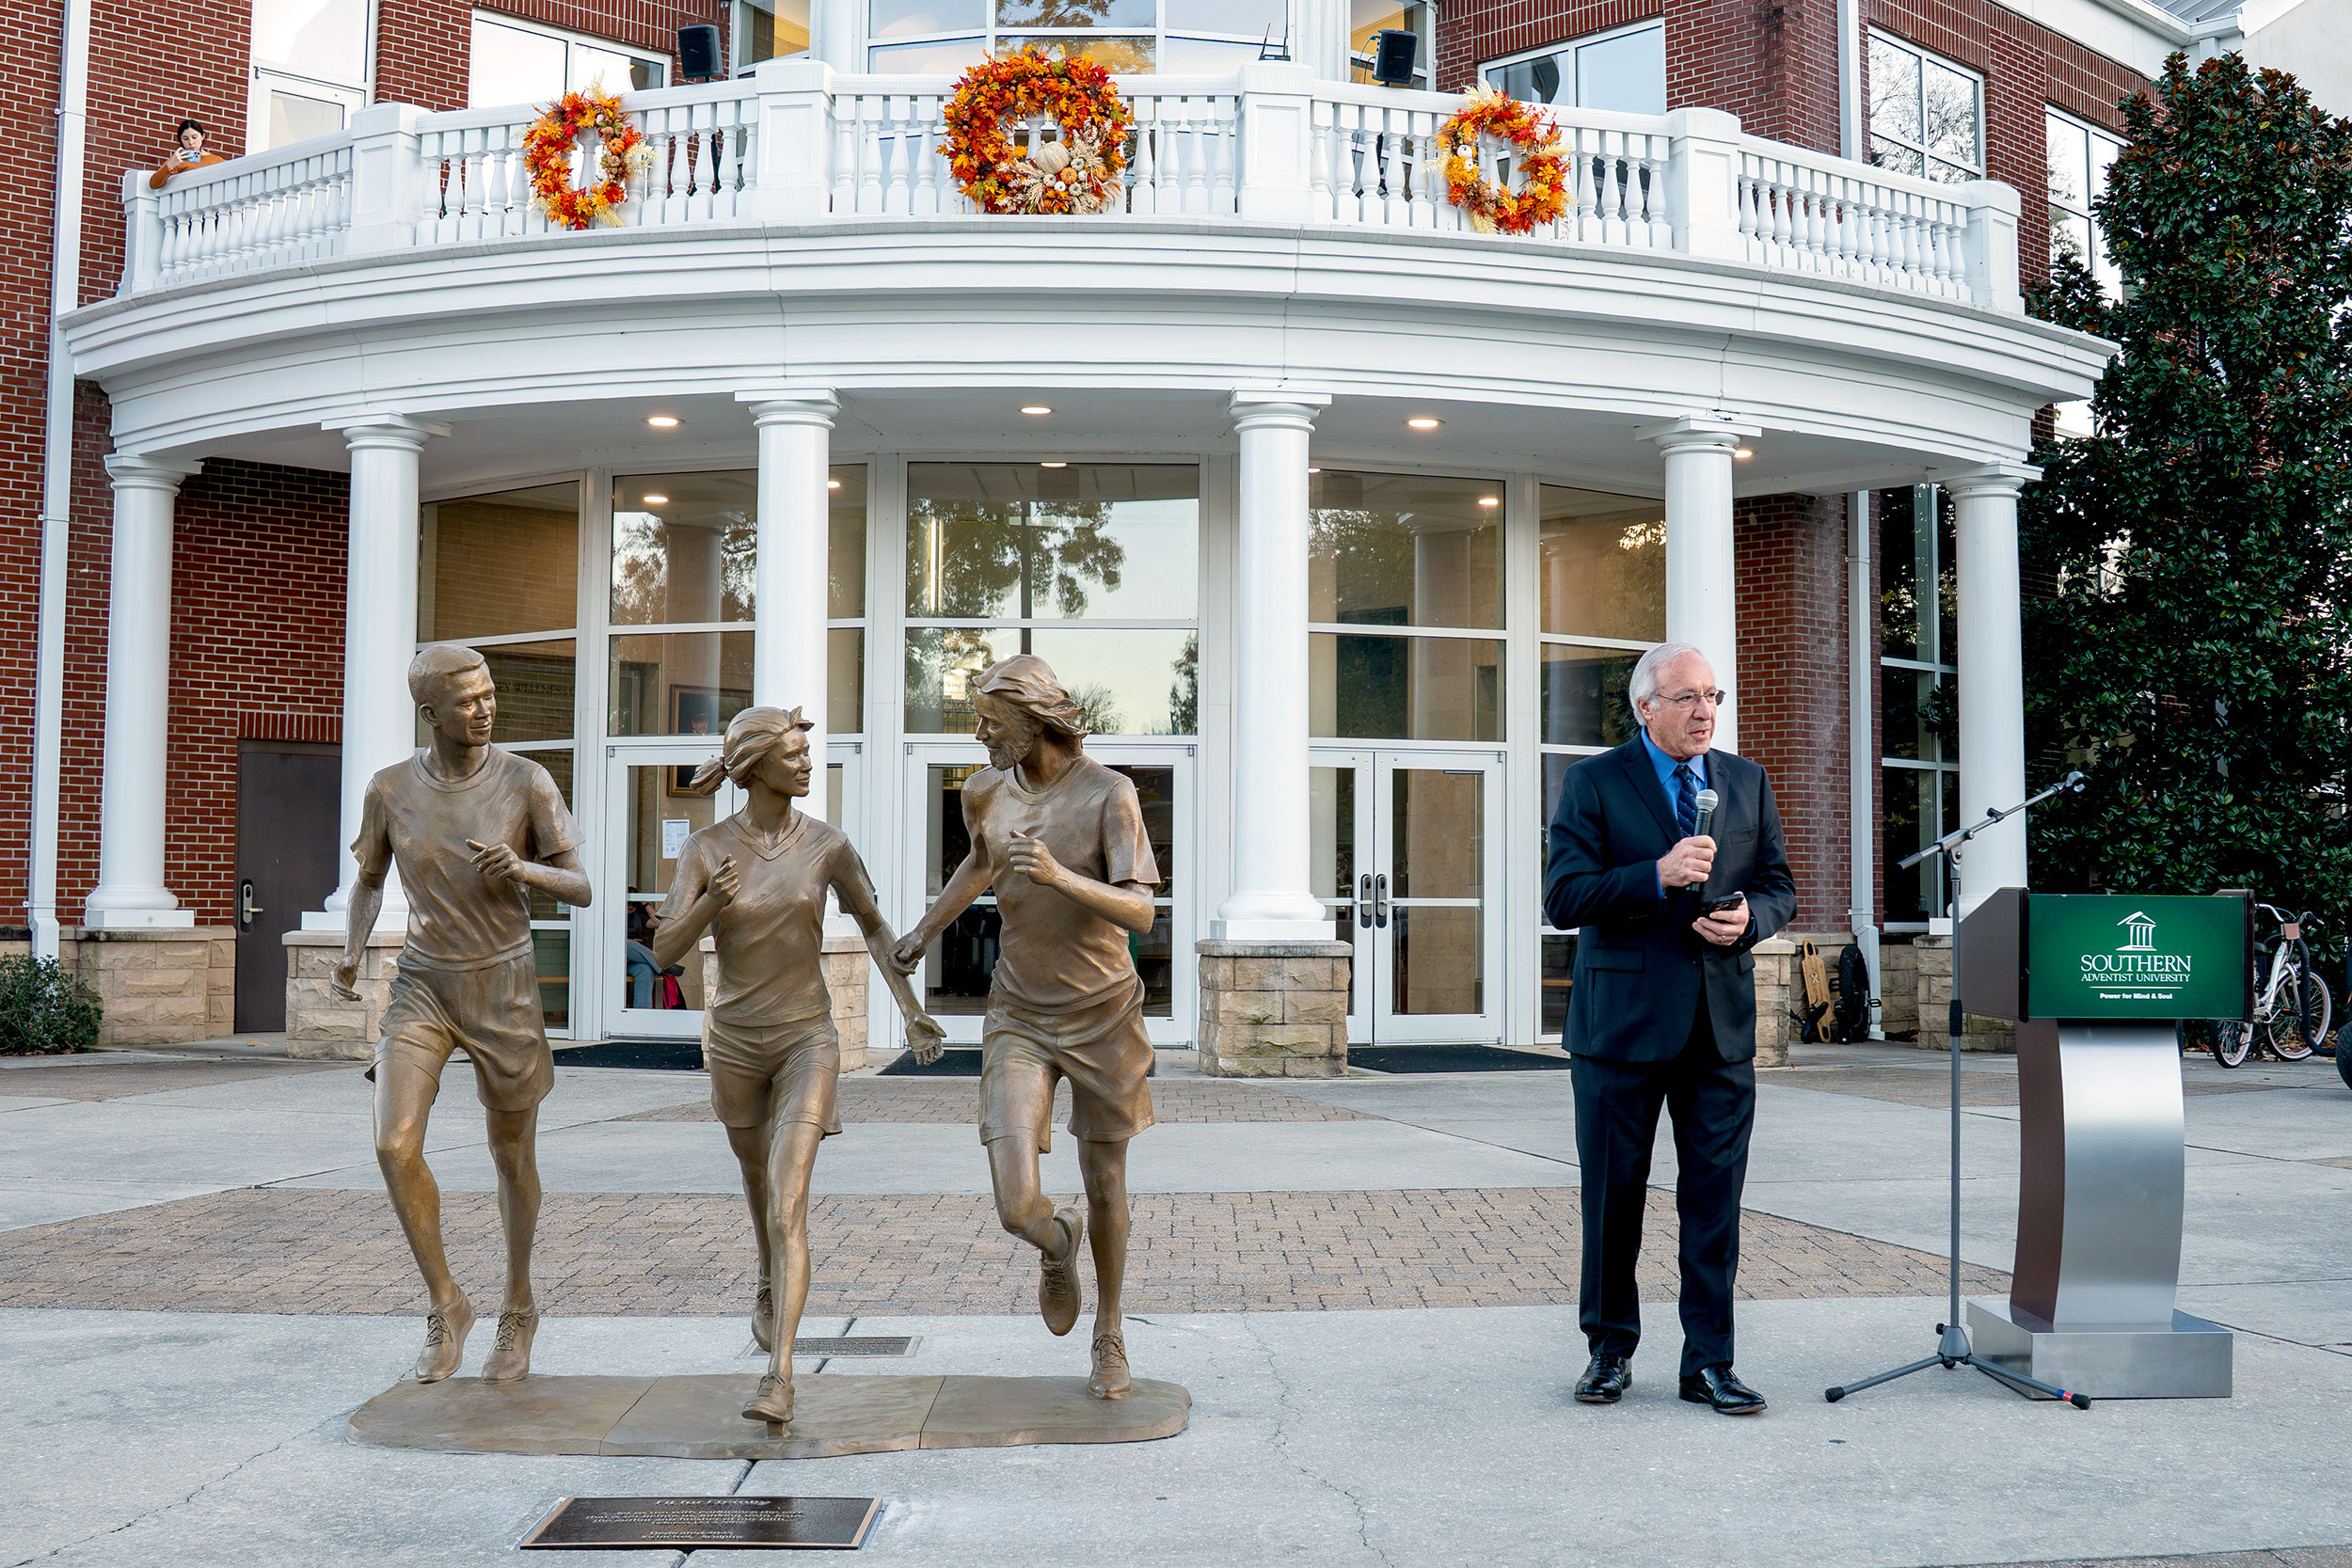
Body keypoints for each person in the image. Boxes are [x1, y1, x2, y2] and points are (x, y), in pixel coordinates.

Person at [654, 705, 946, 1429]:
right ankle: (767, 1273)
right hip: (734, 1043)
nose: (807, 764)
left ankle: (779, 1374)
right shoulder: (704, 848)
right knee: (758, 1186)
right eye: (793, 755)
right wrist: (708, 907)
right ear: (754, 767)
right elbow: (664, 949)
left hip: (806, 1039)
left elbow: (876, 927)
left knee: (787, 1198)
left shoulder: (828, 846)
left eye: (806, 754)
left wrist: (910, 1010)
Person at [890, 655, 1158, 1400]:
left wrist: (1059, 875)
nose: (978, 734)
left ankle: (1109, 1332)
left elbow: (1141, 910)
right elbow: (978, 864)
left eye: (989, 721)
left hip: (1104, 1011)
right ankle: (1054, 1241)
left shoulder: (1110, 792)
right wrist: (924, 930)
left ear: (1034, 721)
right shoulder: (984, 791)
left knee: (1105, 1179)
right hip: (1017, 1012)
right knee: (1015, 1201)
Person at [1543, 641, 1795, 1416]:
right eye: (1687, 697)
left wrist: (1754, 916)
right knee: (1613, 1199)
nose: (1705, 712)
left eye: (1713, 696)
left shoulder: (1746, 780)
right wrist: (1655, 873)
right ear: (1645, 705)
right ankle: (1609, 1351)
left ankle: (1709, 1362)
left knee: (1715, 1204)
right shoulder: (1592, 781)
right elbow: (1565, 896)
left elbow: (1780, 884)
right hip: (1619, 1030)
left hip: (1718, 1030)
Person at [333, 643, 590, 1385]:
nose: (485, 707)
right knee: (393, 1141)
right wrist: (352, 953)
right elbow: (369, 881)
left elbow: (581, 887)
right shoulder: (388, 789)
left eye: (489, 694)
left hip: (503, 984)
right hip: (423, 984)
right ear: (430, 713)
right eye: (469, 699)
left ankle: (518, 1302)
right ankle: (447, 1303)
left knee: (511, 1155)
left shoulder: (526, 781)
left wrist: (524, 868)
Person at [149, 119, 227, 189]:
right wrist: (171, 165)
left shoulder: (217, 161)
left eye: (194, 137)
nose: (191, 142)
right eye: (185, 139)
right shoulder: (178, 160)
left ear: (202, 136)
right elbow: (154, 184)